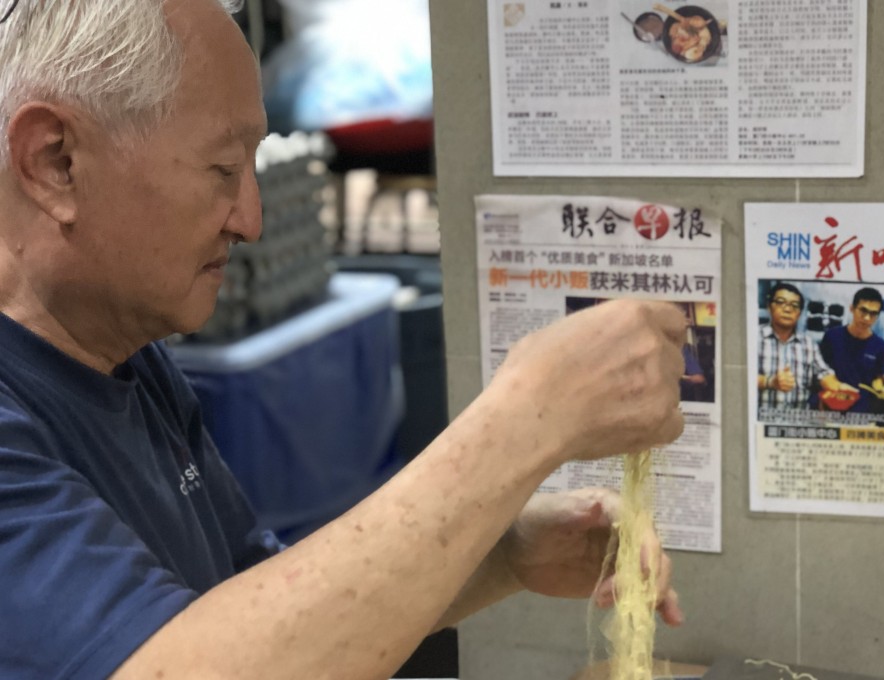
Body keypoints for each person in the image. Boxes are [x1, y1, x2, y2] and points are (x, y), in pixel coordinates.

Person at [0, 2, 687, 678]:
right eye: (221, 170)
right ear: (55, 161)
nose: (251, 221)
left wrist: (503, 552)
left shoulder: (126, 355)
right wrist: (525, 422)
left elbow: (247, 610)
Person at [757, 282, 843, 409]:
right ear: (769, 307)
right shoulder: (754, 337)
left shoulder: (809, 344)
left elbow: (823, 373)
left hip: (797, 422)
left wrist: (837, 386)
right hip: (761, 420)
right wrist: (770, 382)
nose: (787, 309)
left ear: (799, 313)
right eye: (781, 302)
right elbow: (740, 376)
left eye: (794, 305)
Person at [819, 287, 884, 414]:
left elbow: (879, 379)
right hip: (830, 408)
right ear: (852, 308)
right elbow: (820, 372)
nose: (867, 318)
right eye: (863, 310)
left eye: (873, 314)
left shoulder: (880, 346)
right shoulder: (832, 336)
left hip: (863, 412)